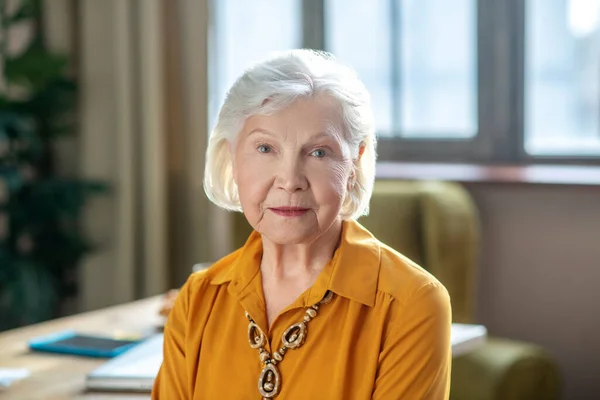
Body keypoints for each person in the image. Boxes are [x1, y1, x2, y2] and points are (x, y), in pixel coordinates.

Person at [152, 49, 451, 399]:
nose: (290, 180)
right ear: (232, 158)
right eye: (265, 148)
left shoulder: (412, 304)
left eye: (319, 152)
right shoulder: (197, 298)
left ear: (354, 163)